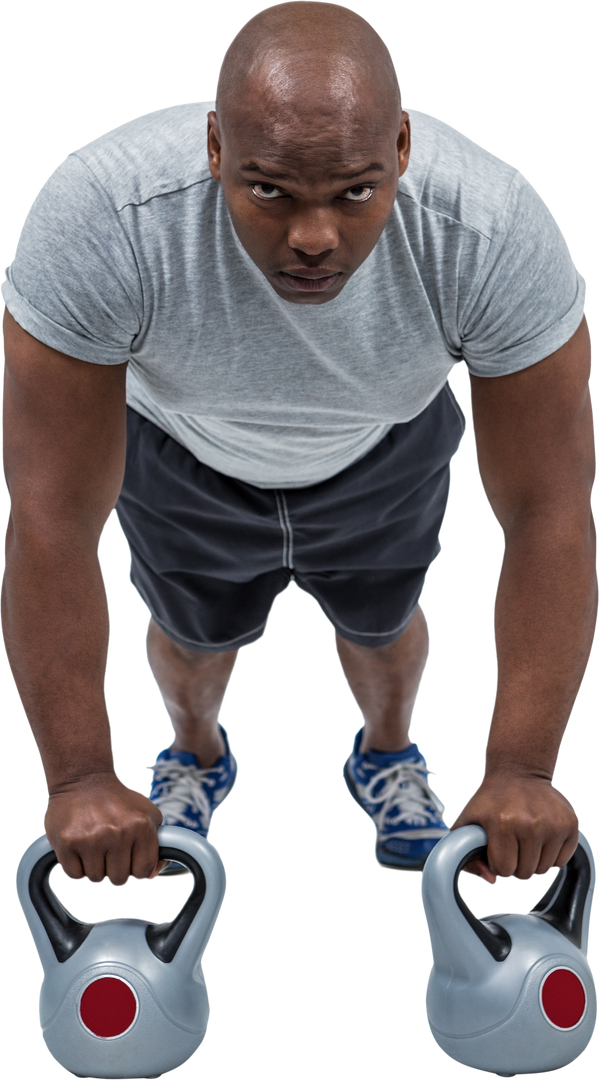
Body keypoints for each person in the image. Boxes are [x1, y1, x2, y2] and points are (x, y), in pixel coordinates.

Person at [1, 2, 595, 891]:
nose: (313, 237)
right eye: (270, 189)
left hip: (383, 442)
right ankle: (196, 756)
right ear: (214, 151)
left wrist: (524, 770)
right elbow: (48, 513)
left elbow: (550, 507)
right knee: (195, 637)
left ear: (400, 151)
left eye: (353, 191)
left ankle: (387, 755)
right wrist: (81, 777)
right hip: (179, 449)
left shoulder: (490, 226)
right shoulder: (103, 214)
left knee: (382, 625)